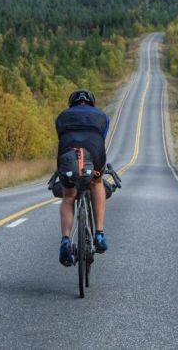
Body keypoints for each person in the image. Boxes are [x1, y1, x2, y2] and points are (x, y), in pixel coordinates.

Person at [56, 89, 111, 266]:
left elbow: (61, 136)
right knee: (96, 182)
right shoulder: (102, 116)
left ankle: (65, 240)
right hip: (93, 153)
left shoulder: (62, 116)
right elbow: (102, 137)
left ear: (72, 103)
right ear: (91, 103)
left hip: (68, 155)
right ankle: (100, 234)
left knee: (69, 195)